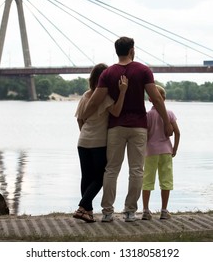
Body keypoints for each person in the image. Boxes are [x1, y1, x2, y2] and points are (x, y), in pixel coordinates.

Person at [82, 36, 173, 222]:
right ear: (132, 50)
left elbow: (94, 102)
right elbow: (156, 98)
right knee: (137, 170)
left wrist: (84, 120)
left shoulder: (107, 74)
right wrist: (167, 122)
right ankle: (130, 211)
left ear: (117, 51)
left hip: (115, 128)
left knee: (111, 169)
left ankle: (107, 212)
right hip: (138, 127)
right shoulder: (143, 70)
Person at [73, 63, 128, 223]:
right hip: (99, 143)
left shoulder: (85, 95)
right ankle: (82, 206)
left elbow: (79, 119)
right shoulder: (105, 97)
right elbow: (116, 111)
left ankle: (87, 213)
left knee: (86, 177)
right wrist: (123, 92)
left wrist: (85, 134)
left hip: (82, 141)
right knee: (100, 177)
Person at [142, 85, 180, 220]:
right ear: (164, 98)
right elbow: (177, 132)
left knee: (147, 181)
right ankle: (164, 211)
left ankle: (146, 211)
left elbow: (145, 135)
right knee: (166, 180)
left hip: (150, 152)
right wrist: (174, 148)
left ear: (150, 99)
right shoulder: (169, 113)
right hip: (166, 152)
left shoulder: (148, 115)